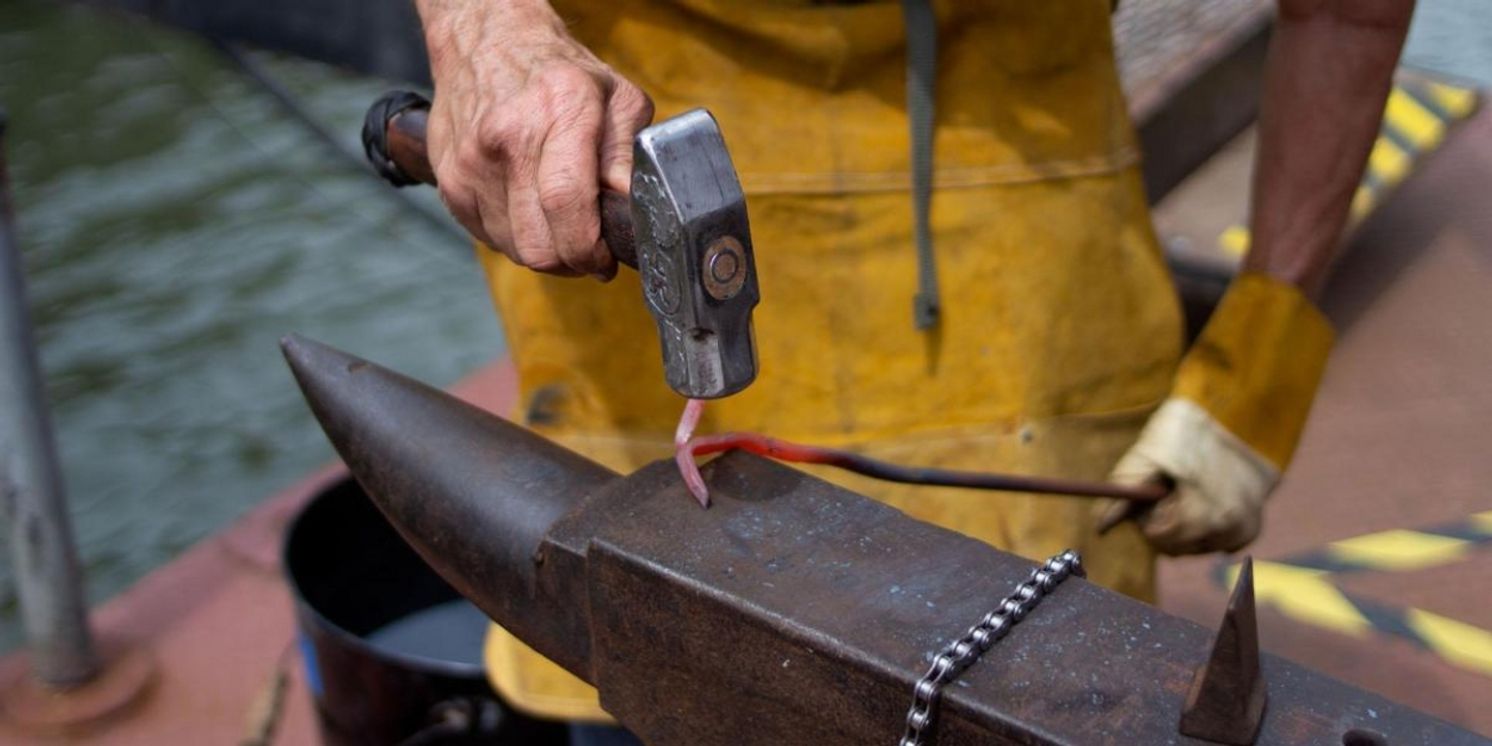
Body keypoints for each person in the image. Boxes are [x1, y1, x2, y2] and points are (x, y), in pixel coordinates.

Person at [412, 0, 1416, 740]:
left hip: (1032, 316)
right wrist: (484, 31)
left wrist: (1259, 353)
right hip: (621, 350)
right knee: (641, 650)